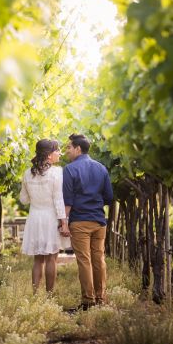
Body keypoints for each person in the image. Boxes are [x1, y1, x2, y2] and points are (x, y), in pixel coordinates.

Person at [63, 133, 114, 310]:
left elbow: (67, 200)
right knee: (99, 259)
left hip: (79, 221)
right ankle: (101, 297)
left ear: (78, 148)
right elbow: (109, 197)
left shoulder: (69, 169)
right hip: (99, 221)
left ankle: (88, 300)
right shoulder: (101, 168)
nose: (67, 151)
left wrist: (64, 222)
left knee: (84, 260)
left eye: (69, 147)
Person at [19, 139, 71, 294]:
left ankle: (35, 294)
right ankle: (50, 295)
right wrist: (64, 222)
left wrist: (35, 196)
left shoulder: (27, 173)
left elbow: (23, 199)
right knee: (51, 258)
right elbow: (58, 199)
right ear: (49, 155)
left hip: (34, 217)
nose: (59, 153)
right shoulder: (57, 172)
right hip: (50, 218)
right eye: (57, 151)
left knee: (38, 259)